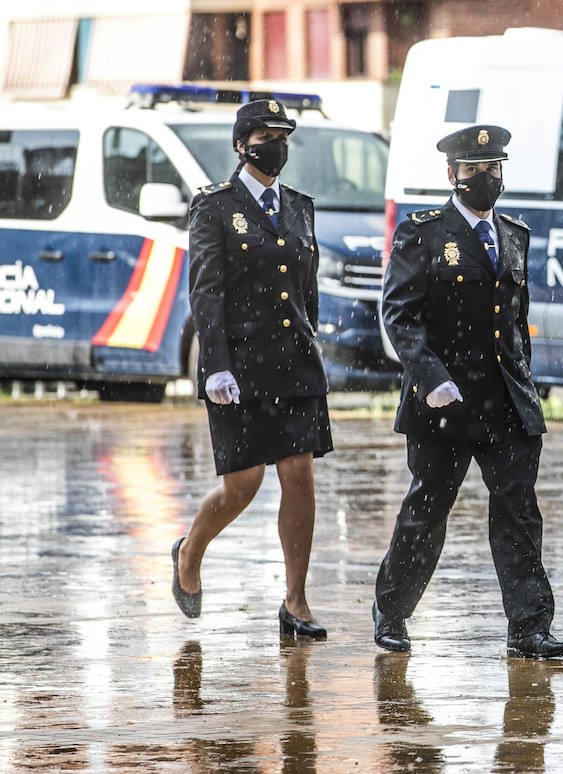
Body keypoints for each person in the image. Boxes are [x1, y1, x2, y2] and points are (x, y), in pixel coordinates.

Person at [371, 124, 563, 659]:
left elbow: (515, 320)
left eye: (492, 169)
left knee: (519, 513)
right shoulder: (423, 232)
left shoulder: (513, 233)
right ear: (451, 175)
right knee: (428, 509)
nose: (484, 178)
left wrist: (526, 382)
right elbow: (399, 314)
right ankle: (391, 610)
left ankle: (529, 627)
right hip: (446, 401)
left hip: (504, 401)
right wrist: (430, 378)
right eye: (472, 170)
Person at [175, 98, 331, 639]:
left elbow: (307, 291)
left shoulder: (300, 206)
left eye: (284, 136)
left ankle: (296, 601)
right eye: (267, 135)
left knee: (299, 475)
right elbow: (207, 291)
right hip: (239, 368)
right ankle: (190, 552)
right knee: (243, 485)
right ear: (243, 145)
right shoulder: (215, 207)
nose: (277, 145)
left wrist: (313, 342)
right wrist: (214, 366)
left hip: (294, 363)